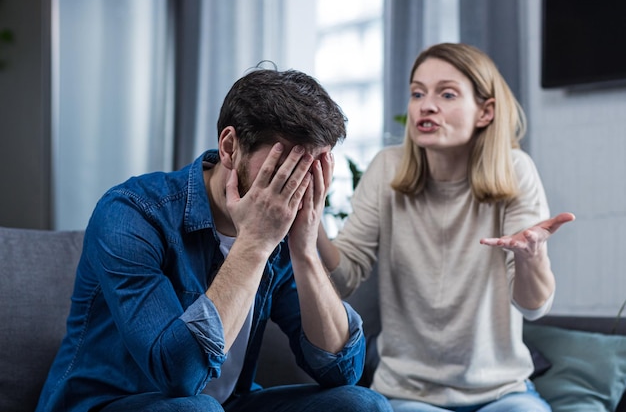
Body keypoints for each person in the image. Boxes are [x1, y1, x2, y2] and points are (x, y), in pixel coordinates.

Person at [35, 67, 393, 412]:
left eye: (312, 168)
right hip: (112, 402)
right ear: (229, 146)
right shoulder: (132, 212)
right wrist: (254, 242)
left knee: (364, 404)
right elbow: (180, 376)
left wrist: (305, 251)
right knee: (194, 408)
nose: (296, 185)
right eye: (283, 166)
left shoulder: (284, 227)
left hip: (224, 404)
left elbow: (342, 371)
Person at [316, 43, 575, 411]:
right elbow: (342, 279)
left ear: (485, 111)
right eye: (417, 93)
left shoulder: (516, 170)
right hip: (410, 394)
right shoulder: (386, 169)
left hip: (504, 392)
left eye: (447, 94)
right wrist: (312, 226)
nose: (426, 105)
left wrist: (531, 256)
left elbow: (533, 307)